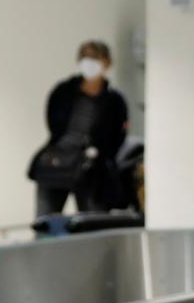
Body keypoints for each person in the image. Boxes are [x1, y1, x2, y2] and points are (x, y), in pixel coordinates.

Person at [29, 41, 129, 215]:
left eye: (94, 57)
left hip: (93, 169)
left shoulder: (114, 101)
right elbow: (53, 121)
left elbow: (117, 136)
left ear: (106, 62)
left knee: (93, 221)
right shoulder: (63, 91)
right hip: (57, 163)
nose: (88, 62)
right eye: (84, 57)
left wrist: (98, 153)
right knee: (46, 220)